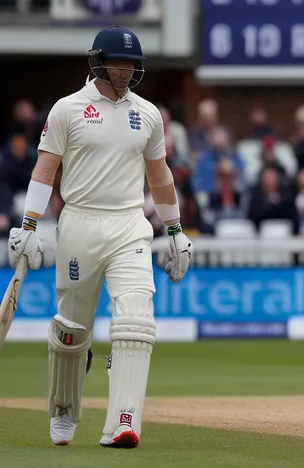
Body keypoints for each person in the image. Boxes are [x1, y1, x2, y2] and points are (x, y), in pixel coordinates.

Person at [7, 25, 192, 449]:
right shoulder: (67, 110)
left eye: (132, 64)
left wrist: (175, 229)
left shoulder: (147, 114)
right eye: (118, 62)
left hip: (129, 225)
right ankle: (64, 408)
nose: (126, 71)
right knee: (72, 332)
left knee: (136, 320)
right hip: (80, 224)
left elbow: (160, 177)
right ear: (98, 62)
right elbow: (45, 170)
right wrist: (30, 224)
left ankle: (123, 421)